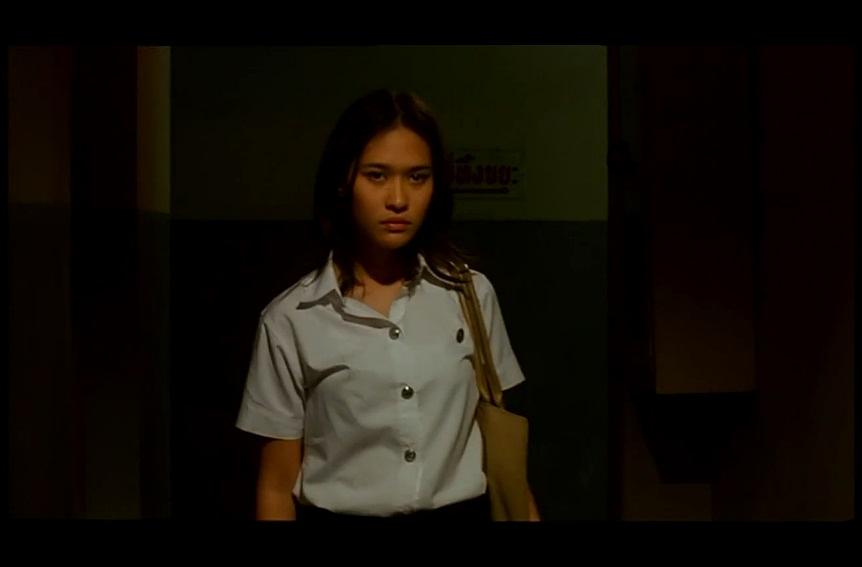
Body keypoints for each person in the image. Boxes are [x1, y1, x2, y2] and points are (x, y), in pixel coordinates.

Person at [236, 89, 540, 521]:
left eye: (417, 177)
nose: (398, 198)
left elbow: (503, 453)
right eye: (377, 175)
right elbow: (275, 486)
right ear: (343, 181)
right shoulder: (292, 318)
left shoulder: (469, 294)